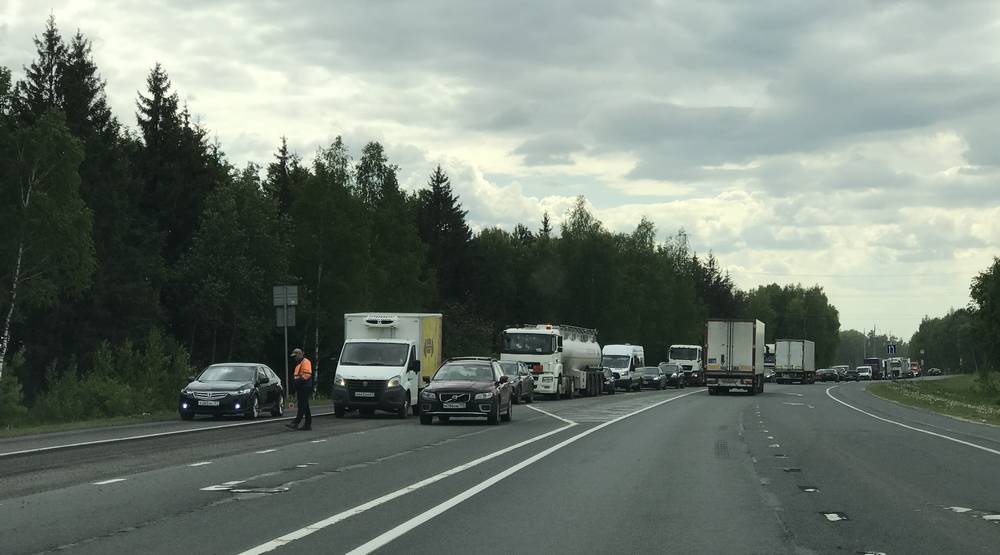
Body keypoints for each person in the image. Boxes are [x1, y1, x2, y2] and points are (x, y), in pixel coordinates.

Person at [286, 348, 313, 430]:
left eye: (295, 356)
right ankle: (307, 424)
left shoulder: (306, 362)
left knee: (302, 405)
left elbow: (307, 374)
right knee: (305, 406)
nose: (294, 358)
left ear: (300, 354)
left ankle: (296, 422)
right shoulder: (299, 363)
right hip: (301, 386)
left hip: (305, 386)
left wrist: (298, 381)